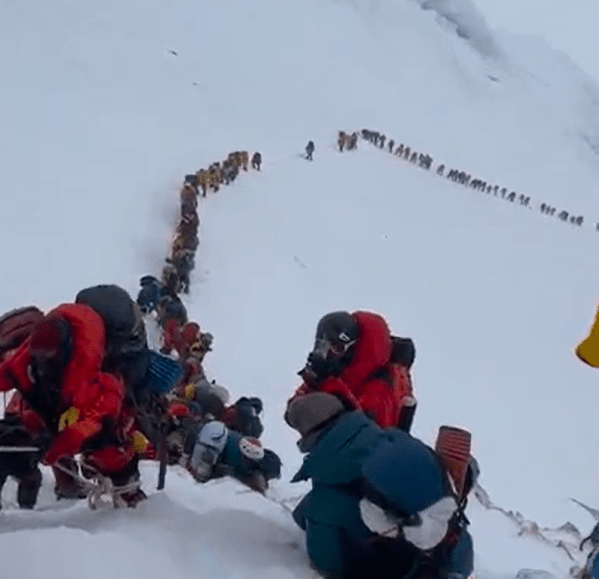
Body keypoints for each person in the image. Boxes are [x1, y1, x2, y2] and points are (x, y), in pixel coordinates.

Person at [286, 392, 475, 579]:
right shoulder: (397, 439)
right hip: (456, 555)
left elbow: (326, 564)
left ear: (309, 438)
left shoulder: (325, 497)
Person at [0, 303, 145, 506]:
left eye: (49, 357)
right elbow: (9, 372)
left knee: (108, 441)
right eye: (39, 357)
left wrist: (60, 444)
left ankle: (127, 492)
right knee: (33, 430)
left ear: (65, 349)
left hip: (88, 426)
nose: (43, 363)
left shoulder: (99, 374)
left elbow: (99, 415)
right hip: (51, 418)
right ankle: (67, 489)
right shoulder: (32, 358)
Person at [288, 311, 415, 430]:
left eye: (337, 348)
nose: (327, 354)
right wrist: (313, 381)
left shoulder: (384, 380)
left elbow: (364, 432)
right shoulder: (341, 372)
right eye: (321, 346)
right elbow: (294, 413)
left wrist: (326, 383)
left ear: (354, 347)